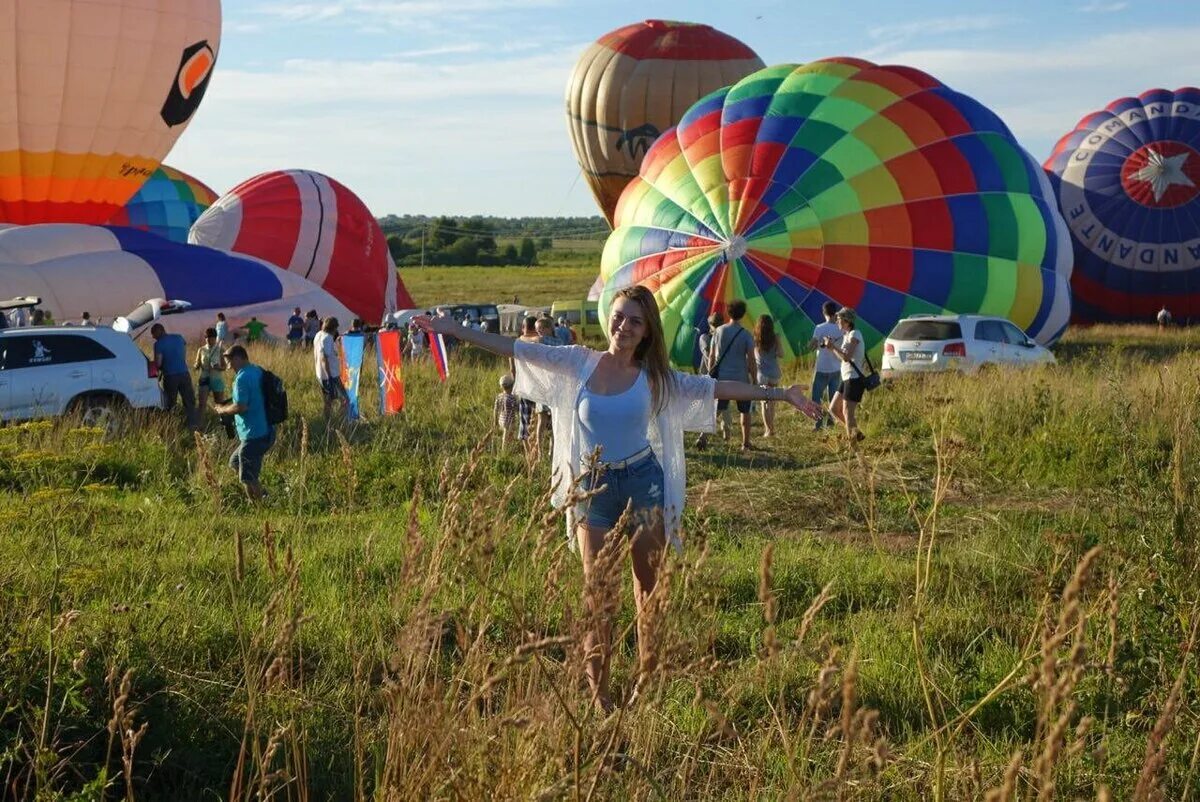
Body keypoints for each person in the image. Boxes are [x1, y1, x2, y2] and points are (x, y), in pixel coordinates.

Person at [415, 285, 813, 712]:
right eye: (619, 316)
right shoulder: (577, 362)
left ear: (647, 333)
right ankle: (600, 697)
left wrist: (779, 394)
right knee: (598, 595)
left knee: (648, 590)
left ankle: (645, 683)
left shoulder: (655, 378)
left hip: (644, 484)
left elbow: (712, 388)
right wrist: (453, 329)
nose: (623, 326)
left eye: (635, 321)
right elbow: (513, 347)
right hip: (593, 492)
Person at [215, 346, 275, 502]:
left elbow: (241, 407)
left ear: (239, 358)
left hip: (254, 433)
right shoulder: (257, 370)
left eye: (229, 360)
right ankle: (262, 495)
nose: (228, 365)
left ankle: (258, 508)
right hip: (266, 429)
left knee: (247, 477)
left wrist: (223, 410)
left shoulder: (242, 378)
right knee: (235, 462)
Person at [697, 299, 756, 451]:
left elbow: (711, 356)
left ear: (728, 313)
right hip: (741, 379)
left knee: (717, 410)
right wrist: (755, 379)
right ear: (743, 314)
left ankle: (703, 436)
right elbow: (751, 360)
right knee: (745, 411)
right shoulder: (746, 335)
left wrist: (710, 375)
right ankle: (745, 443)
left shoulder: (718, 331)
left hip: (722, 378)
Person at [822, 307, 867, 442]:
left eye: (839, 319)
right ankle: (855, 433)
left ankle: (852, 444)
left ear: (847, 321)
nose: (837, 322)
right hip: (847, 377)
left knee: (847, 412)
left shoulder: (855, 334)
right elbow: (842, 358)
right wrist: (831, 347)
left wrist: (833, 347)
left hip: (854, 379)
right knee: (834, 409)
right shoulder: (847, 336)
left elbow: (847, 357)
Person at [151, 323, 198, 430]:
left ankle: (172, 426)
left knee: (170, 402)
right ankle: (193, 424)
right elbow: (183, 352)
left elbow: (158, 363)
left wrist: (155, 372)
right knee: (189, 400)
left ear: (159, 331)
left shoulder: (158, 344)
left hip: (170, 376)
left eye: (153, 334)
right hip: (184, 373)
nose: (153, 337)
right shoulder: (179, 337)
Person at [808, 301, 842, 430]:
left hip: (822, 368)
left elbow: (811, 346)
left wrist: (812, 345)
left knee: (816, 397)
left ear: (824, 313)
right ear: (835, 313)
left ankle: (818, 424)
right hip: (836, 368)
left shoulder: (819, 328)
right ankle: (833, 421)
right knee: (833, 398)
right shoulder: (840, 329)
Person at [314, 316, 349, 419]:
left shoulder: (318, 335)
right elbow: (324, 359)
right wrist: (329, 377)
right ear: (333, 328)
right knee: (345, 399)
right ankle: (340, 419)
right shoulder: (327, 338)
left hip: (320, 374)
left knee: (328, 401)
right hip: (331, 375)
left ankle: (327, 421)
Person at [755, 315, 784, 438]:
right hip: (774, 373)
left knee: (764, 403)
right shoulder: (776, 337)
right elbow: (781, 354)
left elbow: (753, 356)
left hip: (761, 374)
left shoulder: (755, 338)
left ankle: (768, 430)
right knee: (772, 403)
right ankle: (772, 429)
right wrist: (774, 352)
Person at [194, 327, 228, 412]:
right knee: (202, 405)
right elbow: (196, 363)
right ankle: (200, 424)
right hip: (204, 378)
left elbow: (225, 366)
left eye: (211, 338)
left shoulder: (220, 349)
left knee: (220, 405)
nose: (209, 340)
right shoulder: (201, 349)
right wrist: (196, 366)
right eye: (207, 338)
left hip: (216, 379)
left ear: (215, 338)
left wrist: (218, 367)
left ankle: (221, 423)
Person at [494, 374, 519, 446]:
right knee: (508, 434)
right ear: (511, 386)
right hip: (509, 420)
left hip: (501, 420)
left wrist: (495, 421)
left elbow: (495, 409)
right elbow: (516, 409)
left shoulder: (499, 396)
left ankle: (506, 447)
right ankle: (504, 449)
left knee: (506, 434)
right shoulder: (512, 398)